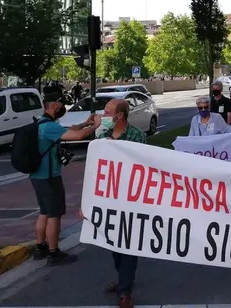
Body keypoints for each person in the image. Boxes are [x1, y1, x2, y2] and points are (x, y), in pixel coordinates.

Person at [32, 93, 100, 266]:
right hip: (49, 177)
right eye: (61, 104)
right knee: (54, 214)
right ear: (54, 106)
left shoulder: (42, 124)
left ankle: (40, 248)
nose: (63, 107)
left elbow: (71, 130)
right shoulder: (49, 127)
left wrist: (86, 123)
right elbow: (77, 136)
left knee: (44, 212)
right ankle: (54, 253)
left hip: (38, 176)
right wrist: (95, 127)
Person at [95, 99, 147, 308]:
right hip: (109, 200)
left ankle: (125, 291)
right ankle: (122, 279)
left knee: (128, 244)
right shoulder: (100, 136)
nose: (104, 115)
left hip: (130, 199)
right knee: (115, 244)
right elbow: (95, 170)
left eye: (107, 112)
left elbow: (144, 166)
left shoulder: (137, 136)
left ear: (119, 116)